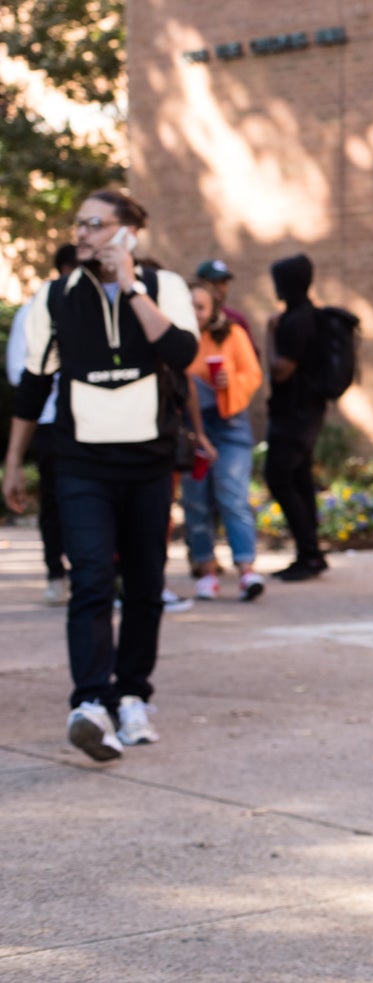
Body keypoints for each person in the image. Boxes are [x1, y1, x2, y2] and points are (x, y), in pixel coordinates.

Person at [3, 189, 199, 763]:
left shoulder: (165, 289)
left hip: (148, 463)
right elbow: (33, 386)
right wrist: (15, 460)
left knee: (144, 584)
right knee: (89, 579)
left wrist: (132, 285)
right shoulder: (55, 297)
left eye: (96, 224)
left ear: (128, 232)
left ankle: (133, 694)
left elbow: (182, 352)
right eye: (79, 225)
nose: (82, 234)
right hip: (81, 462)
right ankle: (91, 701)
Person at [181, 279, 266, 602]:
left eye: (201, 307)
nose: (196, 313)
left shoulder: (232, 334)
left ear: (213, 309)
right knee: (196, 501)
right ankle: (206, 571)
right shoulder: (178, 340)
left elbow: (252, 374)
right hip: (192, 428)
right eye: (190, 306)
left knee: (232, 496)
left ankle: (246, 570)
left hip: (229, 424)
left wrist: (229, 381)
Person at [7, 243, 77, 605]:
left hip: (94, 424)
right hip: (50, 422)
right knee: (54, 500)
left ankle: (94, 574)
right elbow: (21, 372)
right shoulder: (36, 309)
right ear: (66, 269)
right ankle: (56, 573)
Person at [266, 254, 330, 582]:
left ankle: (309, 552)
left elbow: (280, 370)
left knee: (278, 477)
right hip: (307, 412)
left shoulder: (294, 322)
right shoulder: (308, 316)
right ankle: (310, 553)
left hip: (294, 415)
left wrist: (268, 336)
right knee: (300, 480)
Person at [193, 259, 254, 338]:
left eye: (223, 282)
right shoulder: (186, 319)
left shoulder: (236, 320)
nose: (220, 288)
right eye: (214, 282)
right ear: (199, 284)